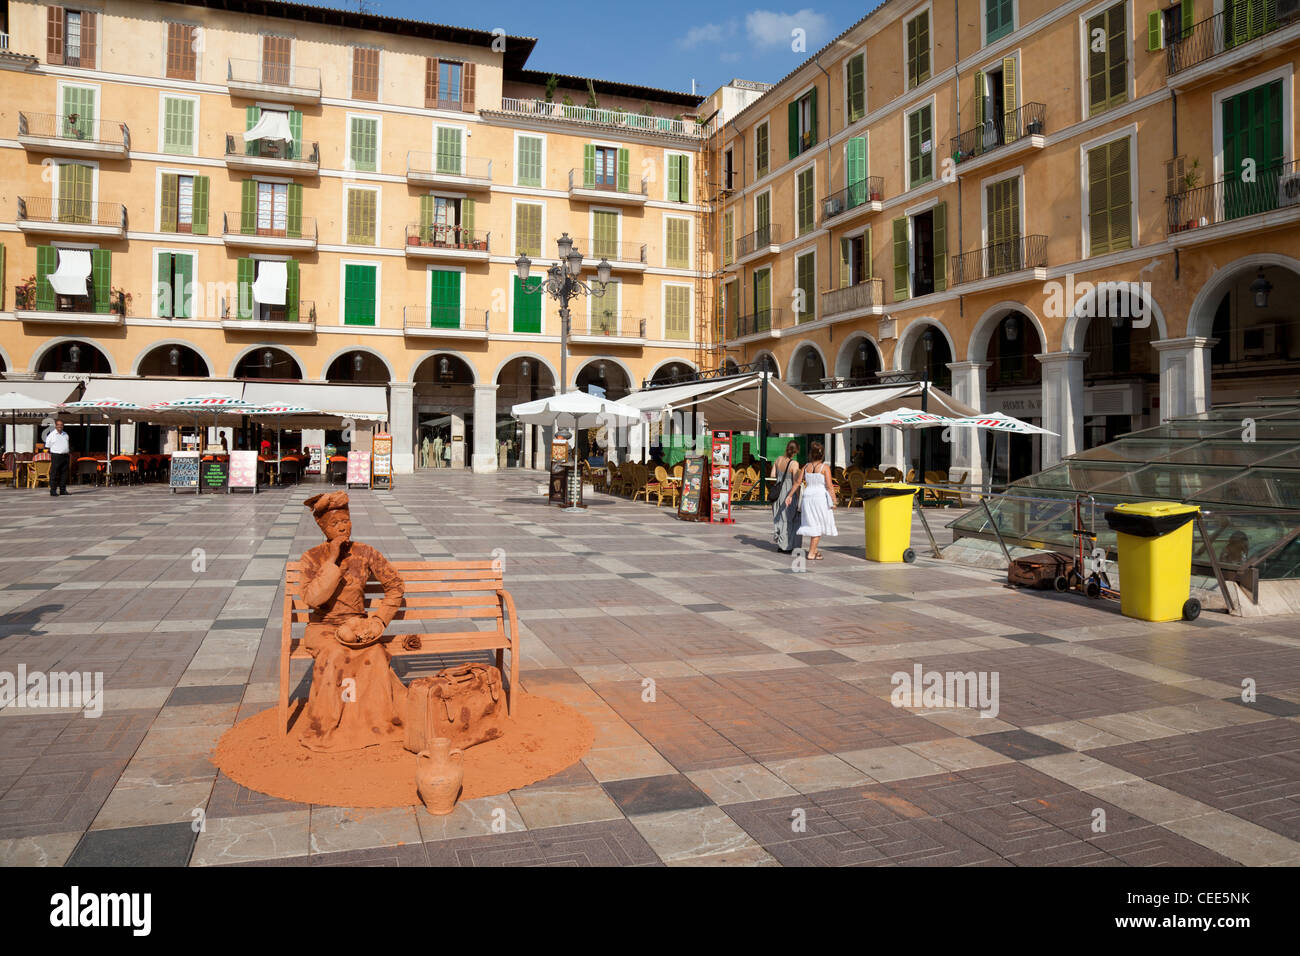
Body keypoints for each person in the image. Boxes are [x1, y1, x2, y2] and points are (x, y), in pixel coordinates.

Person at [295, 492, 406, 752]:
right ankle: (333, 725)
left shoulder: (365, 552)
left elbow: (395, 586)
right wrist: (332, 561)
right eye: (335, 524)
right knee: (335, 655)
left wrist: (379, 620)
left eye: (346, 520)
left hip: (357, 625)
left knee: (376, 654)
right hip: (322, 628)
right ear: (323, 527)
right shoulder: (311, 558)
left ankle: (375, 722)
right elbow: (313, 598)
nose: (343, 527)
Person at [790, 440, 838, 560]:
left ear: (811, 454)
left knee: (812, 522)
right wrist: (834, 501)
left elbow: (797, 482)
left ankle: (815, 551)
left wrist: (789, 495)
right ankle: (811, 553)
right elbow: (829, 486)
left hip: (808, 497)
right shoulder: (824, 467)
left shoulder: (806, 466)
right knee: (818, 524)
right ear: (822, 455)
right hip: (820, 497)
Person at [771, 440, 801, 554]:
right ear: (796, 451)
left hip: (778, 493)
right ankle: (787, 546)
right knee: (789, 519)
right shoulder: (794, 464)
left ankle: (780, 544)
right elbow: (796, 482)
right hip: (788, 493)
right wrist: (798, 497)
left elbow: (772, 475)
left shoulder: (778, 459)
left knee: (779, 518)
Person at [46, 419, 71, 497]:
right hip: (56, 456)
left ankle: (62, 490)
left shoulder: (65, 434)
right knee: (54, 474)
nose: (60, 426)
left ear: (63, 426)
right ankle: (53, 491)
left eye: (61, 425)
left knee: (64, 474)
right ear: (55, 426)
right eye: (58, 425)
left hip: (65, 456)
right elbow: (47, 447)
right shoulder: (51, 435)